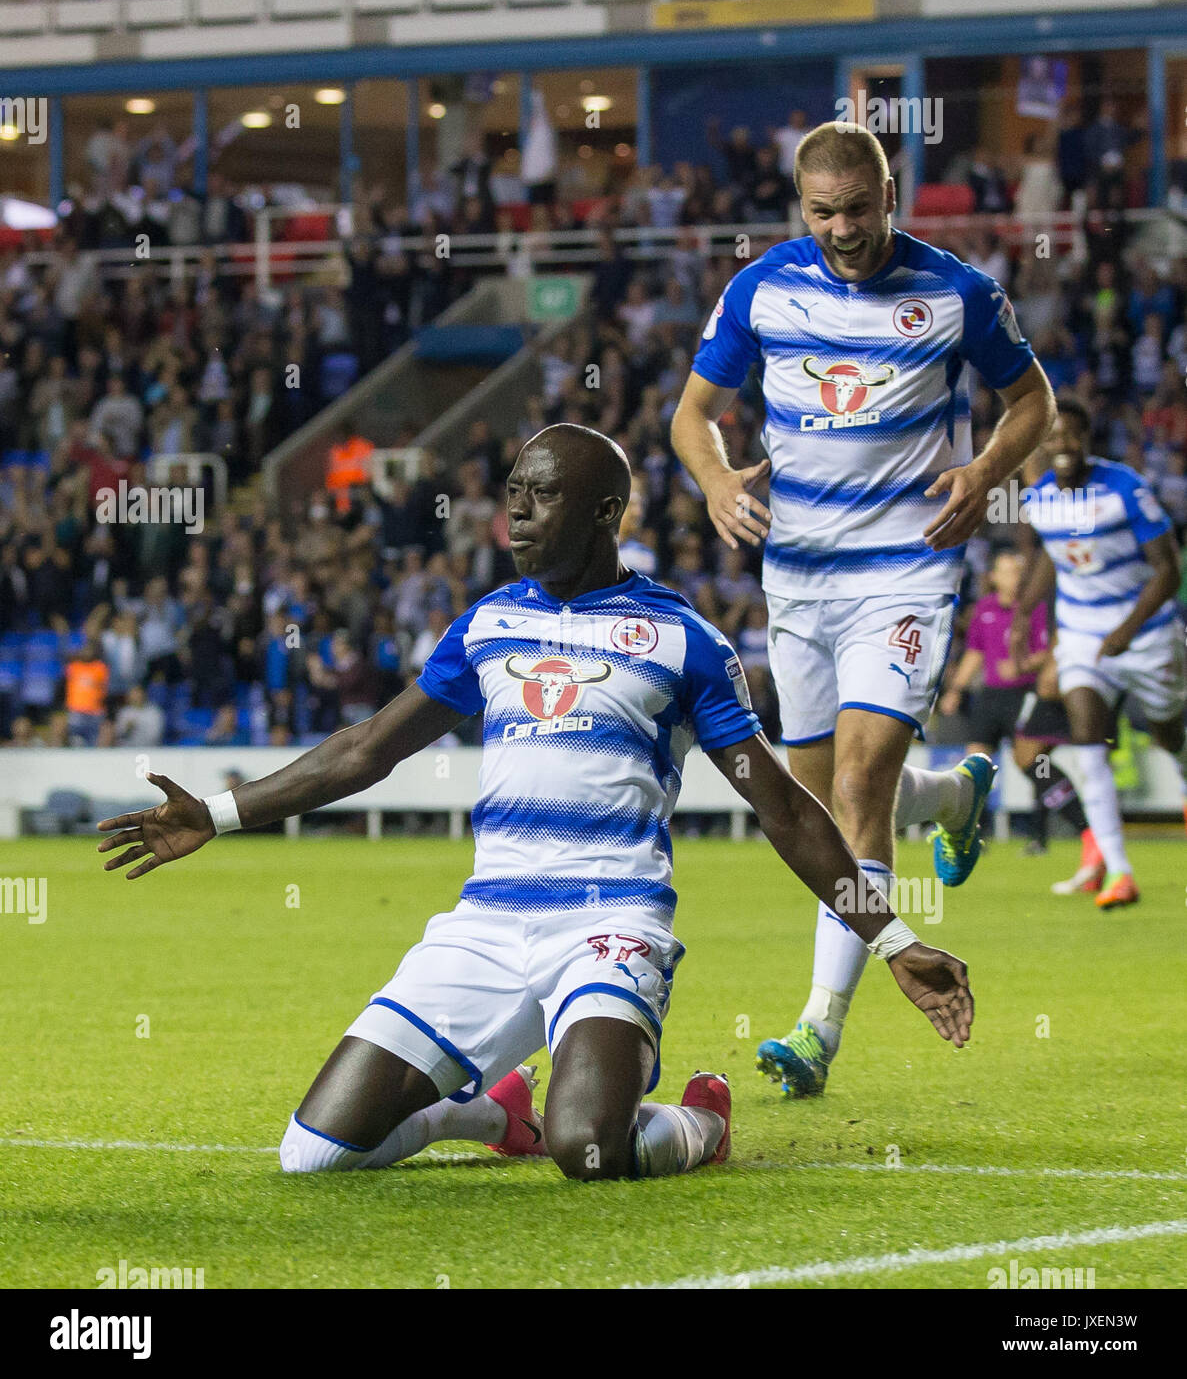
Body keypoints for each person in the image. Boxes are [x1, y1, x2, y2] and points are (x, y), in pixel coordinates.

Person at [96, 424, 973, 1182]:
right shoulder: (487, 624)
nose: (513, 512)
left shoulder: (681, 639)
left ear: (603, 512)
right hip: (484, 925)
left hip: (609, 922)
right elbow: (366, 749)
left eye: (540, 496)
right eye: (511, 493)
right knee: (314, 1154)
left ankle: (701, 1123)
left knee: (586, 1147)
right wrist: (213, 815)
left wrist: (892, 940)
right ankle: (480, 1115)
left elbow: (782, 808)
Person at [671, 122, 1053, 1097]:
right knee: (821, 804)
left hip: (905, 573)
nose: (842, 229)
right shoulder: (760, 288)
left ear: (890, 195)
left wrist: (980, 473)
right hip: (797, 579)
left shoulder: (956, 292)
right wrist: (715, 482)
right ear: (801, 206)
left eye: (858, 208)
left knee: (853, 783)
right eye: (822, 211)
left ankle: (815, 1027)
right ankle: (955, 796)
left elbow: (1030, 404)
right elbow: (689, 414)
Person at [1011, 397, 1187, 908]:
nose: (1062, 446)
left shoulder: (1126, 488)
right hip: (1082, 633)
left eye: (1072, 436)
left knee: (1168, 732)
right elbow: (1050, 554)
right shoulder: (1041, 498)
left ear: (1088, 440)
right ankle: (1119, 871)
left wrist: (1128, 629)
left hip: (1148, 632)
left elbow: (1168, 570)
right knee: (1087, 740)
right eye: (1054, 437)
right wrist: (1025, 613)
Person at [939, 550, 1095, 857]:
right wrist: (955, 689)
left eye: (1018, 571)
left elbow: (1049, 651)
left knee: (1034, 765)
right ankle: (971, 836)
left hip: (1026, 694)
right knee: (974, 766)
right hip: (990, 696)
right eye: (1007, 571)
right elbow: (975, 653)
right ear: (994, 576)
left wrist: (1022, 666)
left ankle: (1065, 830)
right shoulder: (984, 609)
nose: (1015, 577)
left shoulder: (1035, 609)